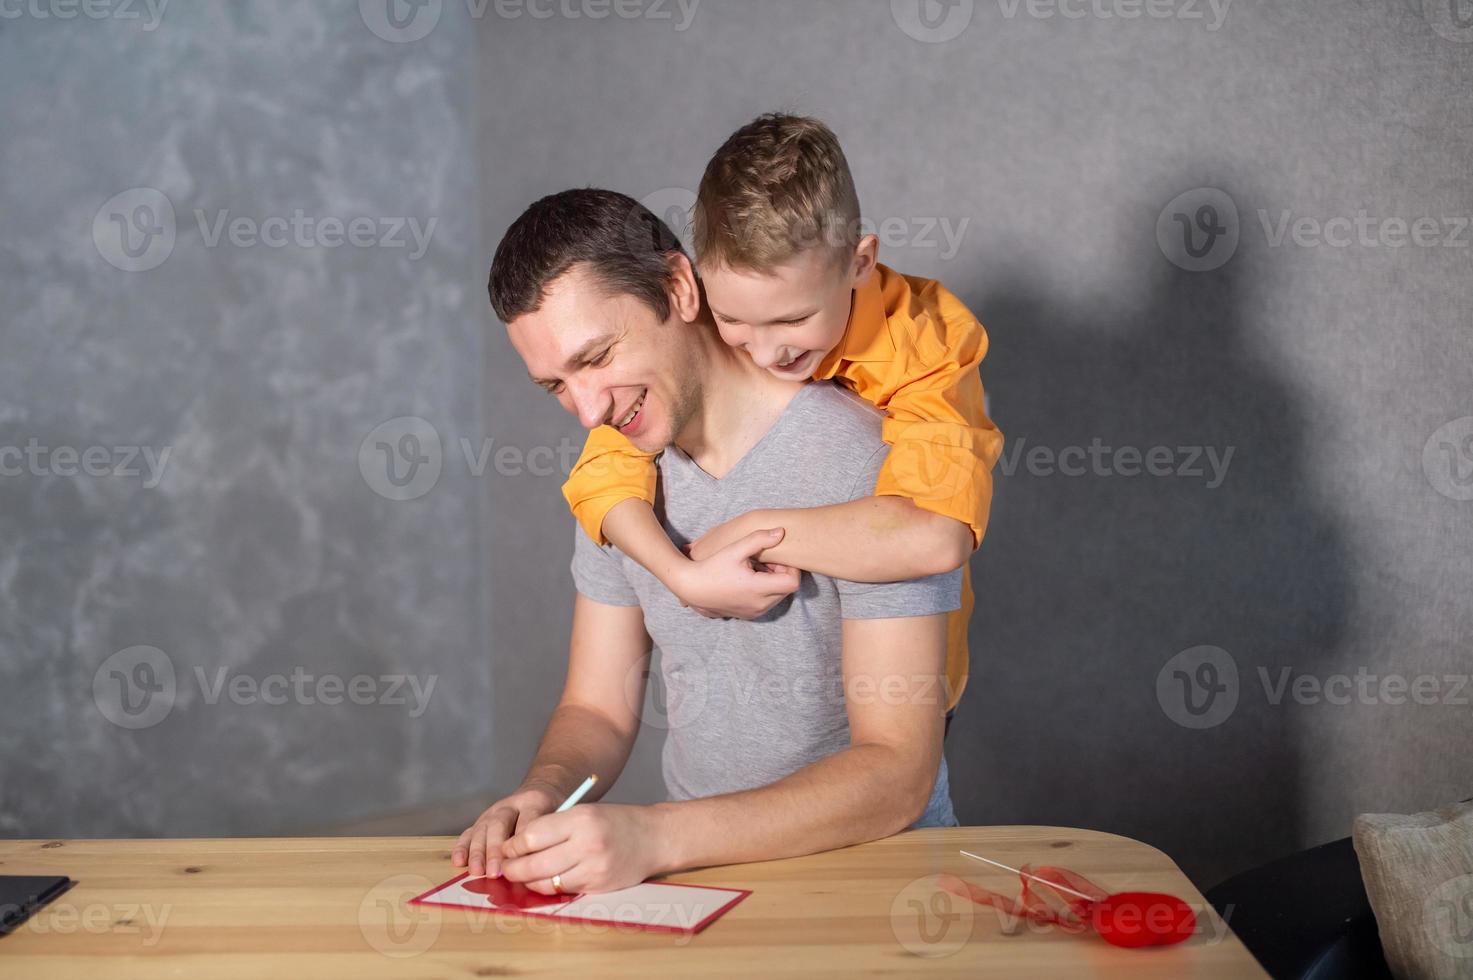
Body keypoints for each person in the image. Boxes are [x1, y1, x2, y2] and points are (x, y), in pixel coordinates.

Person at [452, 189, 961, 894]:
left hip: (874, 891)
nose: (588, 409)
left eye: (596, 356)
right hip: (698, 884)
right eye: (555, 386)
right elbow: (597, 706)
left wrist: (656, 835)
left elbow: (898, 773)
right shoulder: (613, 485)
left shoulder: (870, 464)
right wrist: (543, 793)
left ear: (679, 287)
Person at [562, 114, 1003, 735]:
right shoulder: (702, 328)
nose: (765, 353)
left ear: (860, 263)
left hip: (910, 685)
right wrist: (683, 575)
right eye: (735, 321)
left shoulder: (931, 339)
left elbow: (936, 537)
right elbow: (602, 474)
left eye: (794, 320)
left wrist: (748, 530)